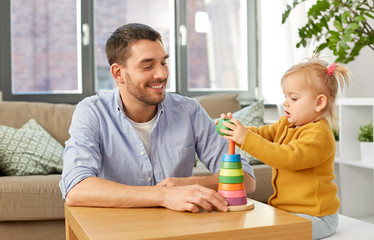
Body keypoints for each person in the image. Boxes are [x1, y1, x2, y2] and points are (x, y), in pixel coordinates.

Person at [59, 23, 256, 213]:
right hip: (117, 228)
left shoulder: (189, 111)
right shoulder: (92, 111)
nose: (162, 74)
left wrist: (189, 184)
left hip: (177, 227)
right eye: (147, 66)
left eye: (163, 62)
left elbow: (247, 179)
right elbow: (76, 188)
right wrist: (164, 195)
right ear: (118, 73)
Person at [217, 57, 352, 239]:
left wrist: (245, 137)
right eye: (285, 96)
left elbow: (287, 157)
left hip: (317, 216)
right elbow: (261, 133)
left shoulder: (319, 135)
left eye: (294, 98)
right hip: (286, 212)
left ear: (319, 103)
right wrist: (235, 130)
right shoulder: (285, 124)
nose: (286, 102)